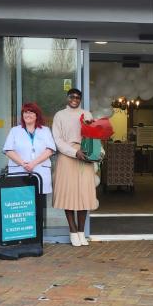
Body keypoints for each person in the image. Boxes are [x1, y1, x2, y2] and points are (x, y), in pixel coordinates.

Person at [52, 88, 97, 247]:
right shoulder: (59, 115)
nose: (75, 99)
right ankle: (72, 231)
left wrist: (98, 152)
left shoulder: (87, 114)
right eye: (72, 96)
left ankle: (81, 232)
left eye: (78, 97)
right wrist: (73, 152)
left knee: (84, 194)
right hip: (67, 156)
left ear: (81, 99)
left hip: (85, 155)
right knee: (69, 195)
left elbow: (94, 136)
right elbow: (57, 140)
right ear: (67, 98)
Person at [3, 102, 56, 190]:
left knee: (39, 200)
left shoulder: (45, 130)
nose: (28, 115)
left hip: (40, 170)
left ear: (36, 115)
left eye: (31, 112)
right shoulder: (14, 130)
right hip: (19, 170)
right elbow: (8, 150)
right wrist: (23, 164)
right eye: (25, 112)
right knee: (21, 200)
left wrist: (33, 163)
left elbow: (50, 150)